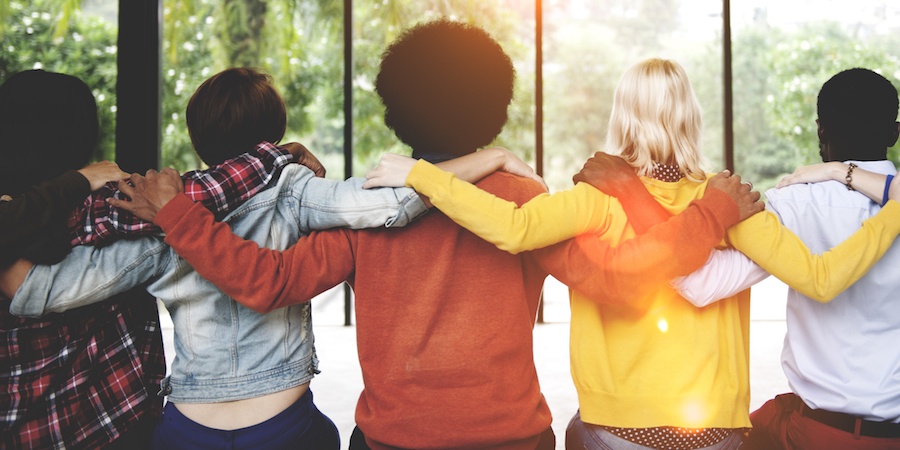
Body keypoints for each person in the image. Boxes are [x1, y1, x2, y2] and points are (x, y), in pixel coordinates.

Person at [78, 22, 769, 449]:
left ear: (394, 108)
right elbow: (623, 281)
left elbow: (268, 282)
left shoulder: (371, 203)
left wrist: (178, 214)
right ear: (495, 105)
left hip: (394, 443)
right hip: (512, 441)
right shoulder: (523, 196)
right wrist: (709, 216)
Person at [362, 58, 900, 450]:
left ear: (623, 116)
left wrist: (421, 175)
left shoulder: (597, 195)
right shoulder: (731, 199)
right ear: (691, 115)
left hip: (613, 428)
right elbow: (824, 279)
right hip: (713, 431)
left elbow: (514, 228)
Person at [0, 65, 548, 449]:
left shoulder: (161, 211)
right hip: (283, 423)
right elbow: (396, 201)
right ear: (277, 133)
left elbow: (43, 291)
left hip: (187, 425)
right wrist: (493, 157)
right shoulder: (298, 192)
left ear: (196, 141)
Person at [674, 68, 900, 449]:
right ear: (894, 134)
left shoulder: (793, 204)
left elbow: (699, 285)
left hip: (818, 432)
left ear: (820, 130)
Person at [0, 69, 166, 450]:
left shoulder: (18, 213)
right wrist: (270, 158)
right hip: (109, 419)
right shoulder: (107, 203)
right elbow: (201, 199)